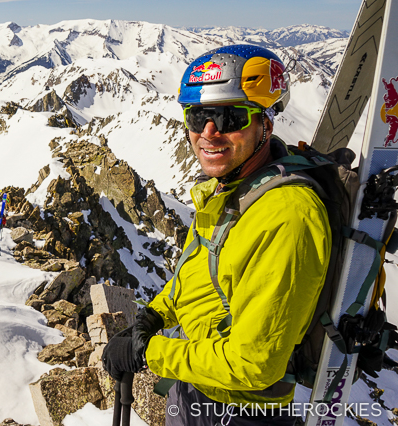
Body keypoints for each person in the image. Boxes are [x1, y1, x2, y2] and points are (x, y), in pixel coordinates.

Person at [102, 45, 332, 425]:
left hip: (240, 412)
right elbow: (197, 280)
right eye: (199, 116)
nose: (209, 133)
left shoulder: (287, 215)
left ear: (266, 124)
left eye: (230, 117)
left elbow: (253, 363)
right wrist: (154, 316)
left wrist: (148, 353)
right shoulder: (229, 192)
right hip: (198, 386)